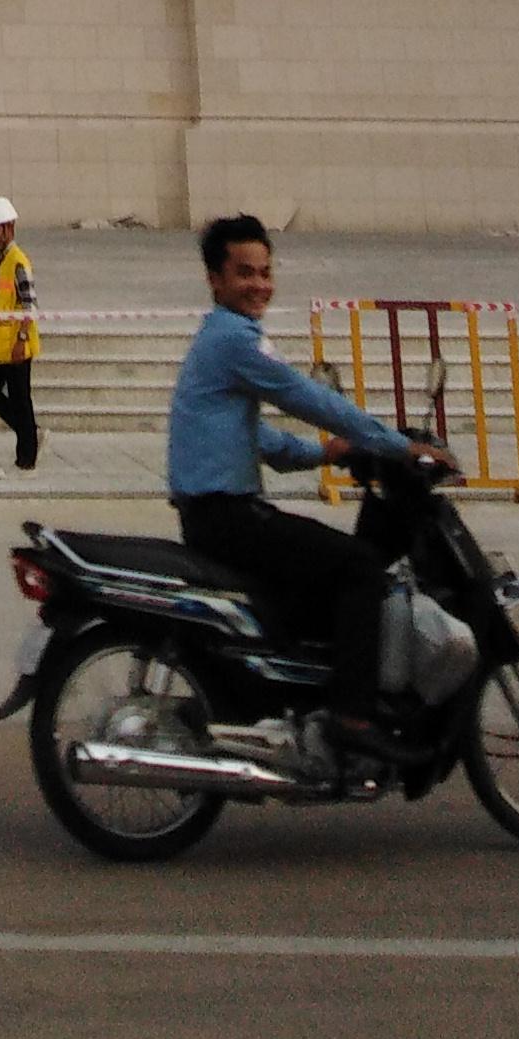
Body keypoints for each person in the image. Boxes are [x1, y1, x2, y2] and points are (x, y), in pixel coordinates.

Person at [165, 210, 451, 752]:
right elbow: (309, 398)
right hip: (227, 517)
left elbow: (256, 438)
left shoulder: (223, 340)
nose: (259, 285)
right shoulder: (236, 340)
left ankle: (304, 701)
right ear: (215, 279)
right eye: (245, 273)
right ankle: (350, 714)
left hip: (218, 514)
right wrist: (396, 444)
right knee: (362, 568)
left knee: (325, 583)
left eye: (266, 271)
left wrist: (326, 454)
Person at [0, 194, 39, 469]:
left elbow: (30, 305)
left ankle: (26, 459)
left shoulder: (17, 261)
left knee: (20, 399)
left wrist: (21, 339)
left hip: (16, 345)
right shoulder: (2, 260)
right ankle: (30, 434)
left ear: (8, 227)